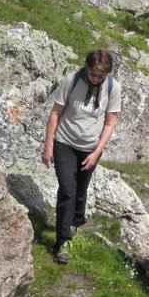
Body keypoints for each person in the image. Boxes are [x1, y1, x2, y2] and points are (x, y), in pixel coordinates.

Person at [41, 48, 122, 264]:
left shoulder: (113, 88)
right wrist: (48, 146)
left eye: (101, 76)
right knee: (67, 190)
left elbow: (110, 123)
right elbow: (55, 113)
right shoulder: (72, 80)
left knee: (81, 189)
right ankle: (63, 241)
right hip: (64, 143)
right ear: (86, 68)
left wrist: (96, 152)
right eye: (93, 74)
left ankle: (76, 220)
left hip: (90, 148)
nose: (96, 78)